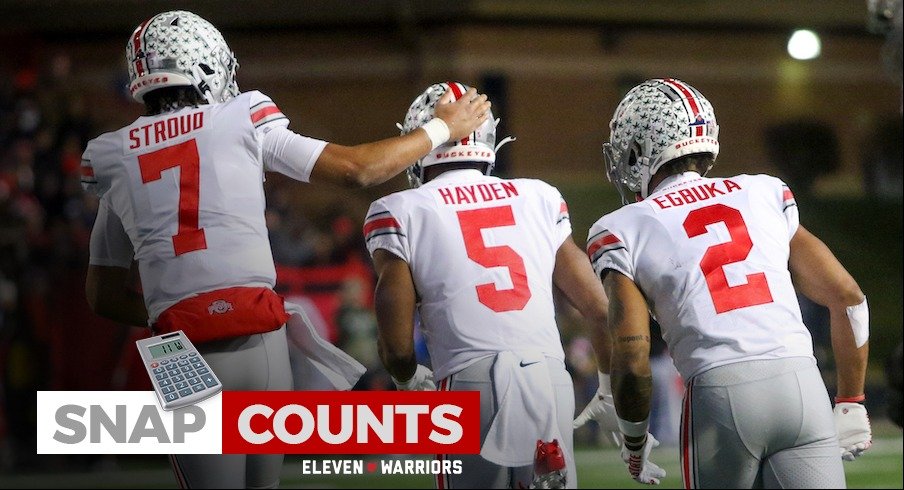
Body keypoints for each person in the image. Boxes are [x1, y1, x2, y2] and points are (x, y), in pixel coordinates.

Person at [80, 10, 490, 489]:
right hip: (262, 336)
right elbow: (359, 169)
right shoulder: (241, 116)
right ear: (208, 63)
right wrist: (441, 129)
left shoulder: (114, 155)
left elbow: (102, 294)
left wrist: (173, 313)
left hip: (181, 351)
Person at [584, 78, 872, 488]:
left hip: (720, 391)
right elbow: (848, 297)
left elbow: (631, 351)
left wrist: (633, 438)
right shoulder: (764, 191)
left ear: (637, 149)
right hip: (801, 384)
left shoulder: (621, 227)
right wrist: (852, 401)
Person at [365, 82, 615, 489]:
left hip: (469, 380)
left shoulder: (400, 208)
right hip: (549, 377)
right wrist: (607, 387)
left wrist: (407, 379)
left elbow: (394, 338)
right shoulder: (539, 196)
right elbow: (601, 309)